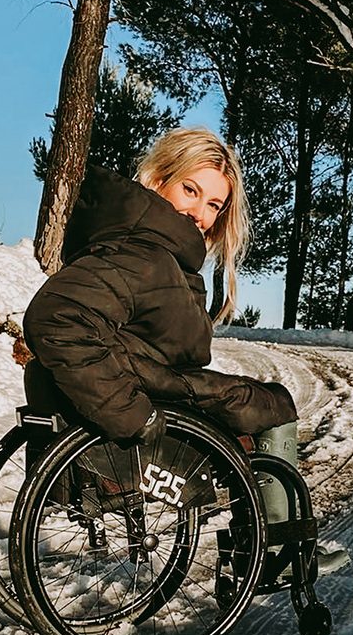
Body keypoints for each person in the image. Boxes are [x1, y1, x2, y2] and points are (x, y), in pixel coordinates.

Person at [22, 127, 298, 447]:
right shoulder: (142, 254)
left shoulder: (158, 255)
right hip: (129, 440)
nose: (199, 214)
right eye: (190, 190)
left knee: (263, 404)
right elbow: (56, 317)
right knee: (270, 408)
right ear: (156, 181)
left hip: (149, 411)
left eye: (213, 205)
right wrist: (130, 414)